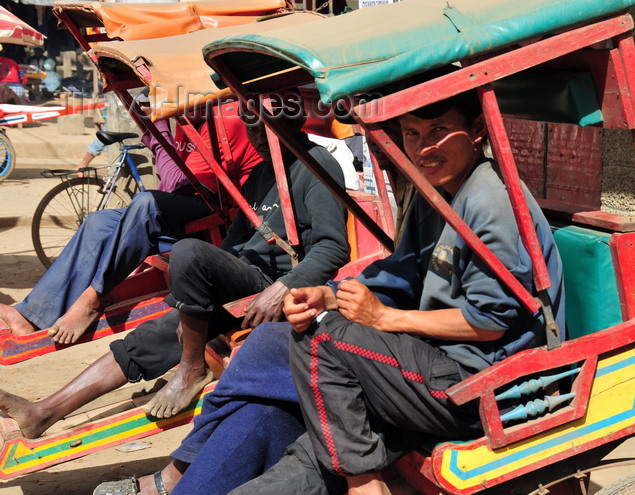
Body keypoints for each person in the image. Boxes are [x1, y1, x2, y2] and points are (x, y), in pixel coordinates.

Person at [95, 88, 566, 495]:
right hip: (421, 360)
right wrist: (328, 294)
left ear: (478, 131)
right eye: (414, 134)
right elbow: (401, 271)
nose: (424, 148)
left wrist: (385, 319)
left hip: (473, 379)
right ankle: (183, 479)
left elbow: (490, 321)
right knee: (273, 372)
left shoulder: (489, 201)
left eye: (440, 130)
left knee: (316, 340)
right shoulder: (438, 192)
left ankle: (362, 482)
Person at [0, 95, 348, 466]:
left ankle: (192, 368)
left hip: (277, 287)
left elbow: (333, 248)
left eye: (266, 123)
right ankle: (44, 412)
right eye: (250, 124)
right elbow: (236, 242)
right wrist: (191, 301)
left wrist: (284, 286)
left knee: (186, 251)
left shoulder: (315, 166)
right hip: (246, 281)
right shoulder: (263, 172)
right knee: (149, 338)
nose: (257, 134)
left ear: (293, 123)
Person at [0, 100, 261, 344]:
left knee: (146, 203)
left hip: (223, 218)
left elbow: (173, 184)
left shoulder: (227, 118)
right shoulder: (187, 116)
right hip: (189, 206)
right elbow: (174, 183)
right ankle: (31, 315)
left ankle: (92, 298)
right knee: (99, 222)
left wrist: (157, 129)